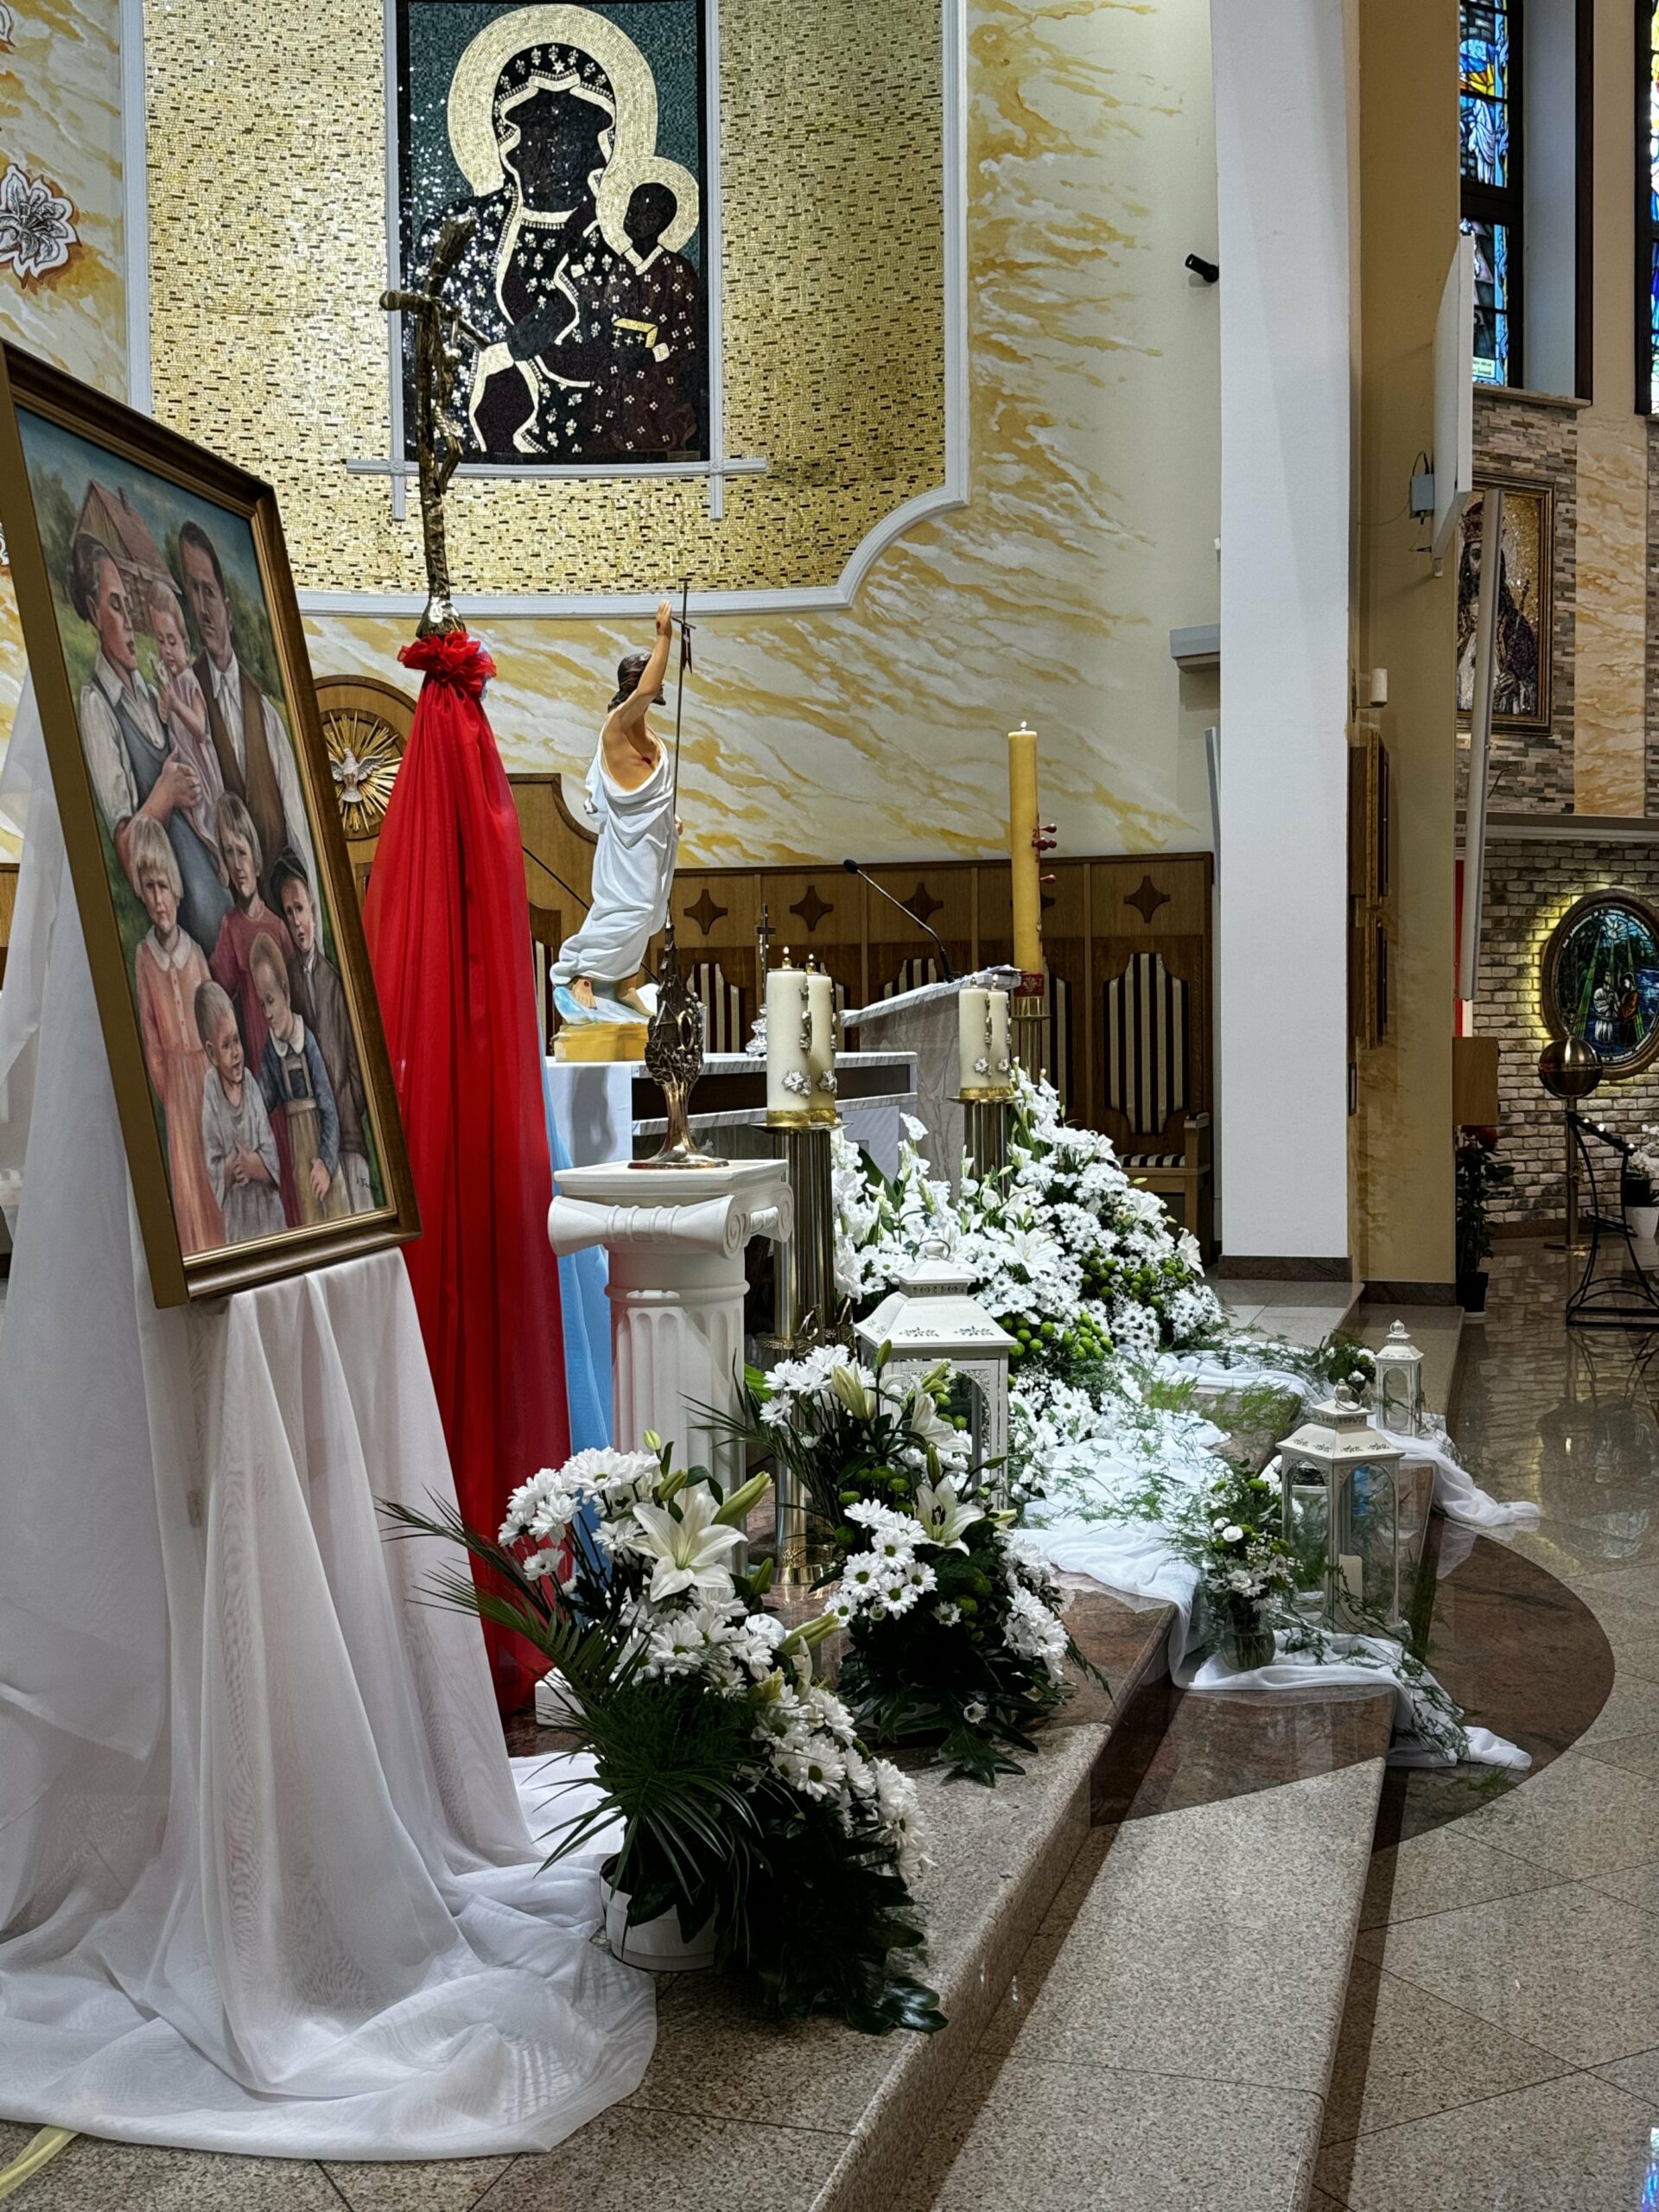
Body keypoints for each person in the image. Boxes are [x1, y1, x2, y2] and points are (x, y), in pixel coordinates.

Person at [71, 534, 230, 956]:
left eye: (129, 606)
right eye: (115, 606)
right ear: (93, 612)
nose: (129, 622)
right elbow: (127, 851)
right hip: (183, 937)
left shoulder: (148, 691)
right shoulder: (98, 705)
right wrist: (165, 794)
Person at [550, 597, 678, 1022]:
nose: (654, 695)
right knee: (629, 909)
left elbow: (646, 791)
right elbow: (646, 691)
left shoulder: (648, 733)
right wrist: (664, 638)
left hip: (652, 838)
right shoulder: (617, 726)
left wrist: (669, 818)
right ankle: (583, 972)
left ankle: (625, 984)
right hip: (627, 845)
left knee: (649, 910)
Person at [178, 520, 315, 906]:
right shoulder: (186, 697)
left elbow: (297, 828)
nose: (202, 609)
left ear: (227, 607)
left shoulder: (266, 712)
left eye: (208, 591)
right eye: (193, 591)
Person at [129, 815, 223, 1255]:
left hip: (206, 1078)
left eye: (163, 887)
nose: (157, 899)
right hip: (177, 1091)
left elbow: (214, 1018)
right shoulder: (144, 959)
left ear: (177, 891)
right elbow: (150, 1034)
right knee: (185, 1182)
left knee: (212, 1173)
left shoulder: (196, 955)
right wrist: (168, 1088)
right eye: (149, 888)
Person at [274, 861, 374, 1214]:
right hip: (315, 1140)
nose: (296, 922)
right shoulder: (288, 983)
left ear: (313, 912)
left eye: (300, 909)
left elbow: (357, 1058)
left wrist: (349, 1103)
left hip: (348, 1131)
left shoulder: (336, 981)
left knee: (361, 1211)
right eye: (289, 913)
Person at [590, 181, 701, 457]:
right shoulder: (618, 267)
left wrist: (650, 355)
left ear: (662, 222)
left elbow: (690, 336)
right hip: (618, 368)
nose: (636, 219)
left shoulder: (678, 270)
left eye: (648, 214)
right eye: (632, 210)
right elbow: (605, 316)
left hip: (660, 372)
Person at [249, 931, 346, 1229]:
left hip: (320, 1143)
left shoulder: (308, 1041)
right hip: (298, 1149)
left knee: (336, 1212)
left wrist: (326, 1162)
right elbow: (263, 1099)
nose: (267, 1013)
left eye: (271, 1001)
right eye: (262, 1004)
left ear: (286, 993)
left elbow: (328, 1107)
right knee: (310, 1218)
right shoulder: (271, 1051)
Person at [207, 792, 295, 1080]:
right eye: (228, 853)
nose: (236, 865)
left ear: (255, 860)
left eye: (241, 852)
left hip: (288, 1053)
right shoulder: (230, 927)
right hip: (256, 1062)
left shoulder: (278, 927)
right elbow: (219, 992)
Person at [195, 978, 284, 1243]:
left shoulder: (250, 1085)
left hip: (269, 1215)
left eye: (237, 1040)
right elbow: (213, 1167)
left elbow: (271, 1156)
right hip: (240, 1222)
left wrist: (252, 1166)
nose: (236, 1052)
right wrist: (234, 1165)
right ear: (211, 1053)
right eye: (226, 1045)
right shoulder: (211, 1095)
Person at [149, 575, 224, 860]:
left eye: (172, 642)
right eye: (161, 642)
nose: (167, 650)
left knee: (209, 816)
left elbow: (200, 728)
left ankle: (220, 858)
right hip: (184, 761)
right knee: (193, 819)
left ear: (186, 646)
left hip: (201, 764)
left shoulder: (190, 681)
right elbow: (167, 718)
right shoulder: (168, 680)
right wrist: (164, 708)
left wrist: (176, 705)